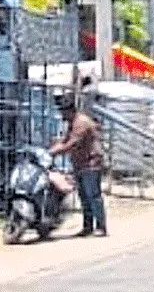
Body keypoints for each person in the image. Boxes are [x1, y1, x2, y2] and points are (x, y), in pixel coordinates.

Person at [50, 92, 106, 237]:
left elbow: (72, 143)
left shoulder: (81, 123)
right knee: (84, 197)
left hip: (91, 163)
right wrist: (50, 149)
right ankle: (88, 226)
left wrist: (55, 152)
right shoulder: (72, 123)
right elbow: (64, 140)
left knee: (93, 196)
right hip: (80, 164)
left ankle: (101, 226)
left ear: (70, 110)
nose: (61, 115)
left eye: (63, 111)